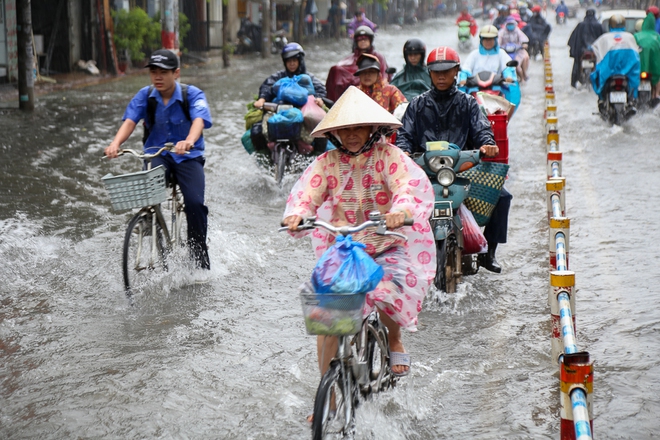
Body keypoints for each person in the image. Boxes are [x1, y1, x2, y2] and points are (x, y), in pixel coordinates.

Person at [282, 86, 436, 384]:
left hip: (385, 243)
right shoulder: (326, 163)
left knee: (386, 292)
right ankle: (326, 397)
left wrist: (400, 211)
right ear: (335, 133)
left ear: (371, 128)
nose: (352, 134)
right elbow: (308, 194)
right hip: (346, 247)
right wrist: (298, 214)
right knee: (326, 318)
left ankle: (393, 339)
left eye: (358, 127)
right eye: (345, 129)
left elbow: (405, 188)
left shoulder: (389, 156)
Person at [396, 46, 511, 273]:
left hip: (462, 169)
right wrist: (404, 152)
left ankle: (489, 254)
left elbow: (482, 131)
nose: (441, 76)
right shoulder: (417, 104)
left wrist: (487, 145)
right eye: (436, 71)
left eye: (446, 71)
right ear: (429, 72)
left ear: (456, 70)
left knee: (503, 195)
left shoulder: (468, 103)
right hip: (424, 172)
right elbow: (405, 136)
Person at [104, 49, 213, 270]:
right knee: (148, 195)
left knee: (194, 203)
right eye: (154, 72)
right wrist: (116, 144)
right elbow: (130, 121)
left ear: (176, 73)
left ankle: (199, 258)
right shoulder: (145, 96)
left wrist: (189, 141)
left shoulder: (192, 94)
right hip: (157, 154)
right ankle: (154, 230)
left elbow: (199, 120)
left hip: (187, 157)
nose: (158, 77)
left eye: (163, 72)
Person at [325, 26, 391, 101]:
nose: (363, 41)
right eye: (360, 40)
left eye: (365, 39)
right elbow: (339, 68)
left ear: (370, 40)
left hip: (373, 87)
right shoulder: (350, 58)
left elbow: (384, 77)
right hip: (353, 88)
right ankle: (334, 103)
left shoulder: (379, 57)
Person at [590, 14, 640, 111]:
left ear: (610, 25)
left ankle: (602, 100)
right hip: (627, 73)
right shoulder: (630, 37)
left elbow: (595, 51)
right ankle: (631, 101)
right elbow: (636, 56)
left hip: (608, 74)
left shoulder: (604, 38)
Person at [253, 43, 326, 110]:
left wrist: (318, 99)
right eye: (289, 61)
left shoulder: (307, 78)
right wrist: (262, 99)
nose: (291, 64)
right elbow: (267, 86)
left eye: (294, 60)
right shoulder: (279, 76)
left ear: (300, 61)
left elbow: (320, 89)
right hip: (280, 109)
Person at [567, 8, 604, 88]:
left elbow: (573, 39)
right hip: (594, 52)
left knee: (576, 65)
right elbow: (603, 39)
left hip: (581, 51)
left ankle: (574, 82)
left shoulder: (580, 25)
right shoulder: (598, 25)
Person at [634, 13, 660, 102]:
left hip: (639, 69)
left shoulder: (636, 36)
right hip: (654, 70)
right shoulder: (657, 37)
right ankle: (655, 95)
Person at [499, 16, 530, 81]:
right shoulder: (502, 31)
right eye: (509, 24)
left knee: (521, 61)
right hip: (505, 52)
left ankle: (523, 77)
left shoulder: (517, 31)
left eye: (511, 24)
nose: (510, 26)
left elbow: (523, 38)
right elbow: (498, 40)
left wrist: (524, 44)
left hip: (517, 51)